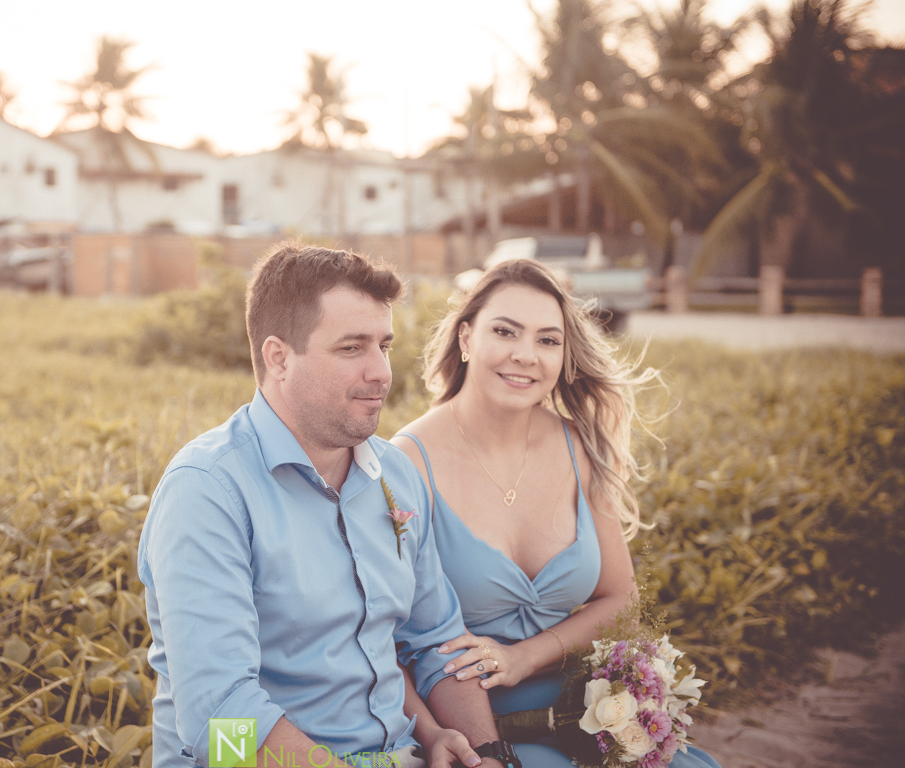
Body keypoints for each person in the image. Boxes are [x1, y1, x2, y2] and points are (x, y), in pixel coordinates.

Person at [138, 243, 517, 768]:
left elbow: (436, 642)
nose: (382, 371)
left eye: (384, 345)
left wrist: (486, 754)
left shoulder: (397, 475)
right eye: (351, 349)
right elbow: (219, 718)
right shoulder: (206, 491)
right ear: (278, 358)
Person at [392, 259, 721, 768]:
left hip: (579, 701)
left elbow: (620, 597)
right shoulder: (407, 462)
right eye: (505, 331)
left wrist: (524, 657)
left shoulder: (580, 447)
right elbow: (383, 637)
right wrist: (437, 734)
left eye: (548, 340)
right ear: (464, 339)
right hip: (466, 714)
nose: (526, 356)